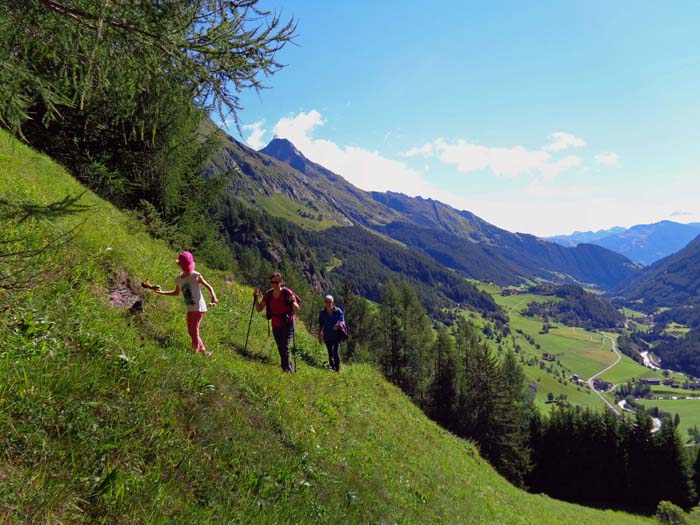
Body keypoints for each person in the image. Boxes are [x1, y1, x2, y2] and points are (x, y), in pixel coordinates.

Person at [154, 251, 218, 356]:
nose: (188, 269)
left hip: (199, 307)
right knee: (190, 330)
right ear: (180, 266)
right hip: (190, 308)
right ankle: (203, 351)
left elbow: (209, 286)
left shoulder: (196, 275)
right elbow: (176, 293)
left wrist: (214, 297)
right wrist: (162, 292)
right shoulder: (178, 279)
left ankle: (195, 352)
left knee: (194, 329)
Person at [254, 272, 300, 372]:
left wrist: (293, 301)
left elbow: (297, 309)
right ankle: (289, 366)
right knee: (280, 347)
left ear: (281, 282)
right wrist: (256, 298)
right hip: (275, 323)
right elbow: (259, 308)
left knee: (285, 346)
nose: (275, 284)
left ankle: (286, 370)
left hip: (288, 322)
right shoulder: (268, 294)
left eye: (277, 282)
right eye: (272, 282)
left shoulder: (287, 292)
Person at [318, 294, 344, 372]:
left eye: (330, 301)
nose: (328, 303)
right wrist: (319, 336)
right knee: (330, 353)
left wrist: (337, 324)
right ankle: (332, 368)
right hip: (327, 335)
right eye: (327, 301)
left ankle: (337, 369)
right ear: (325, 302)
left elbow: (342, 320)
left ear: (333, 302)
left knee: (336, 352)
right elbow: (320, 325)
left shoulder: (338, 311)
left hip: (337, 335)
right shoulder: (322, 313)